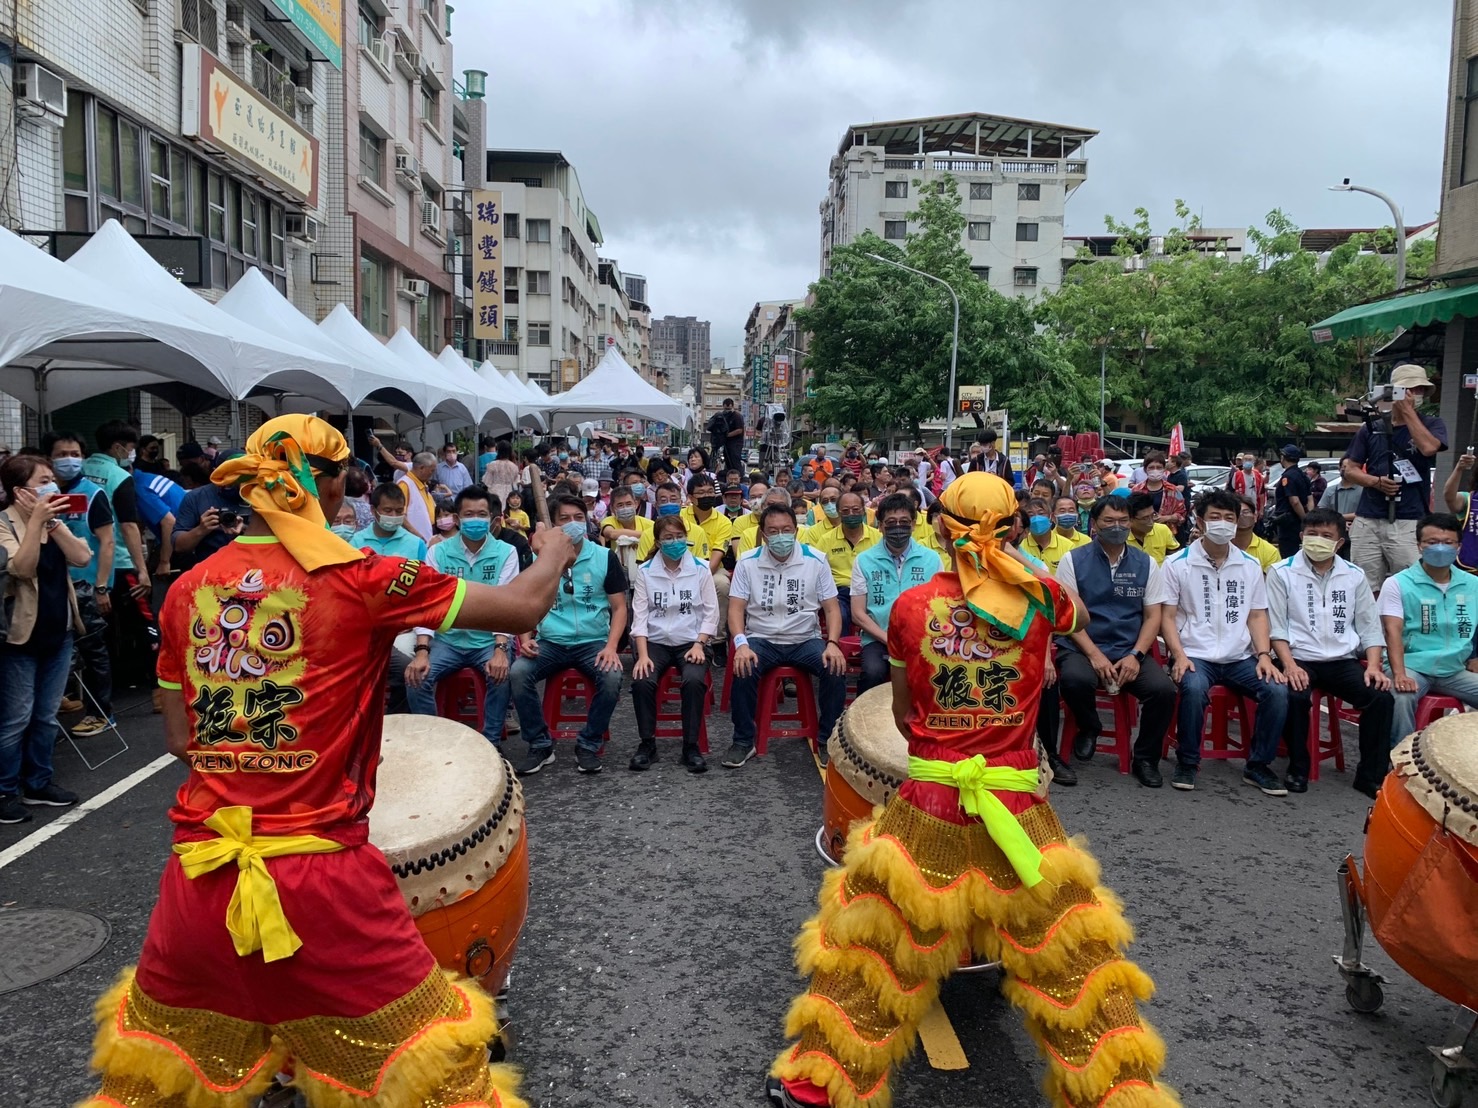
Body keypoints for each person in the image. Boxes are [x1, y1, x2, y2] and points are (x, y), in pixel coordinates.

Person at [79, 414, 569, 1107]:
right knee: (438, 1080)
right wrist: (552, 551)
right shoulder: (363, 577)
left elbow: (181, 739)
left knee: (149, 1089)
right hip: (323, 888)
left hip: (201, 880)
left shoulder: (189, 591)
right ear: (328, 486)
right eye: (346, 481)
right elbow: (521, 608)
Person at [765, 473, 1177, 1108]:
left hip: (929, 803)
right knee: (1072, 961)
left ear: (938, 529)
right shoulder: (1042, 598)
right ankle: (1119, 1097)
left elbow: (904, 719)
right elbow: (1082, 615)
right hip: (1016, 808)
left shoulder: (909, 609)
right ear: (1013, 530)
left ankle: (817, 1088)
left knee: (874, 947)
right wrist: (1011, 561)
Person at [1150, 489, 1289, 795]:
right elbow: (1167, 617)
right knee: (1194, 688)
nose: (1223, 523)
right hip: (1195, 654)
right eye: (1215, 517)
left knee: (1277, 690)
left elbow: (1256, 615)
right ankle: (1187, 761)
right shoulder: (1177, 564)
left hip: (1240, 657)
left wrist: (1264, 655)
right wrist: (1179, 655)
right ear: (1199, 521)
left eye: (1229, 518)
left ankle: (1258, 766)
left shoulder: (1249, 565)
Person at [1053, 495, 1178, 788]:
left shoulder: (1146, 563)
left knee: (1163, 692)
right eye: (1109, 521)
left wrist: (1136, 654)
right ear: (1095, 524)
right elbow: (1068, 617)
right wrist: (1094, 654)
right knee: (1073, 680)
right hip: (1083, 647)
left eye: (1123, 521)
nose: (1117, 527)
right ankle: (1089, 726)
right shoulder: (1073, 560)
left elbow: (1152, 617)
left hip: (1127, 649)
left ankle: (1145, 758)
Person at [1266, 508, 1393, 796]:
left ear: (1340, 542)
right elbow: (1276, 627)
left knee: (1380, 698)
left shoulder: (1354, 575)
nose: (1318, 540)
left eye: (1326, 536)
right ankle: (1298, 767)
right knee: (1294, 695)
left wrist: (1374, 666)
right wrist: (1288, 665)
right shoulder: (1281, 572)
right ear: (1301, 537)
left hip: (1340, 660)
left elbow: (1370, 627)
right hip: (1299, 657)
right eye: (1312, 534)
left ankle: (1369, 776)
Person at [0, 456, 94, 823]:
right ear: (21, 491)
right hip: (20, 637)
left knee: (45, 716)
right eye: (44, 480)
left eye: (53, 479)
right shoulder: (4, 523)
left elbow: (82, 556)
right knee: (16, 718)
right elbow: (20, 569)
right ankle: (6, 790)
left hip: (59, 633)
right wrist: (35, 520)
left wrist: (51, 523)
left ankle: (39, 782)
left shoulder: (54, 522)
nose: (53, 486)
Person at [509, 495, 628, 775]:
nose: (573, 523)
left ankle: (588, 744)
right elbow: (523, 602)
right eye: (564, 519)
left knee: (611, 677)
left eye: (578, 517)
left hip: (593, 643)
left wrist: (611, 647)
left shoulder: (603, 557)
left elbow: (620, 607)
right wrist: (525, 640)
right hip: (551, 642)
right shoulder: (540, 559)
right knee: (518, 673)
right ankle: (539, 744)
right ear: (553, 525)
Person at [724, 502, 847, 768]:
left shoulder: (815, 560)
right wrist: (741, 644)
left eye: (786, 529)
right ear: (763, 534)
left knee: (834, 667)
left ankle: (828, 739)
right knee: (743, 666)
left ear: (796, 530)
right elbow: (735, 609)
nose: (781, 536)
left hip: (805, 639)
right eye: (773, 531)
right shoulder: (748, 562)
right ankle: (744, 740)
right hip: (762, 638)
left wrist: (833, 643)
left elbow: (832, 608)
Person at [404, 488, 519, 749]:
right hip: (448, 640)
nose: (475, 519)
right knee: (417, 676)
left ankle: (491, 745)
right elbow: (428, 603)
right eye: (469, 514)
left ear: (492, 518)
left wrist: (501, 649)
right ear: (457, 518)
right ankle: (431, 744)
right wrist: (422, 650)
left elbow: (506, 603)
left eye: (481, 514)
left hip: (487, 640)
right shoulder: (438, 553)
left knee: (501, 674)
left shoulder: (506, 552)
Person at [1347, 363, 1448, 594]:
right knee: (1365, 584)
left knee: (1411, 583)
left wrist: (1409, 413)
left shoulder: (1432, 424)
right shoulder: (1371, 427)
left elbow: (1428, 448)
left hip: (1409, 517)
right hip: (1369, 516)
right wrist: (1375, 482)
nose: (1416, 395)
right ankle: (1373, 627)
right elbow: (1350, 468)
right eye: (1410, 390)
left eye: (1421, 390)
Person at [1381, 512, 1478, 753]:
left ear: (1459, 547)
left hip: (1453, 669)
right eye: (1432, 542)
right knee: (1402, 697)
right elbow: (1392, 631)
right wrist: (1399, 673)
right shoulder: (1398, 583)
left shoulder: (1472, 584)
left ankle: (1465, 762)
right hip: (1412, 665)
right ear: (1419, 546)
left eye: (1448, 542)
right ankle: (1398, 764)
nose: (1440, 548)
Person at [629, 514, 717, 773]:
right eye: (668, 538)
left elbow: (711, 613)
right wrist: (642, 655)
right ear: (657, 541)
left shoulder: (700, 569)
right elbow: (640, 616)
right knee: (642, 679)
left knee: (692, 680)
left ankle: (690, 746)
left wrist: (700, 644)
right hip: (655, 642)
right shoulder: (645, 572)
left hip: (692, 640)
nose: (675, 542)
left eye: (680, 536)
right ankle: (647, 744)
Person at [44, 431, 116, 736]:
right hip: (52, 587)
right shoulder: (42, 496)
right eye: (61, 454)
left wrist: (101, 587)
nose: (68, 460)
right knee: (57, 653)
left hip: (85, 588)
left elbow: (108, 541)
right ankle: (53, 716)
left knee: (92, 652)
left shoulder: (93, 494)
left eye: (74, 453)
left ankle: (102, 713)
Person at [849, 493, 940, 695]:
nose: (898, 527)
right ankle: (863, 722)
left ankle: (923, 723)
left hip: (920, 638)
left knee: (933, 674)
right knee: (873, 671)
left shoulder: (931, 559)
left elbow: (939, 607)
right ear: (880, 525)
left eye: (904, 522)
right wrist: (887, 638)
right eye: (891, 522)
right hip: (878, 637)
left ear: (914, 524)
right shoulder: (864, 560)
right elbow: (857, 613)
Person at [82, 422, 153, 672]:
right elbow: (129, 525)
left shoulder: (80, 470)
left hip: (82, 563)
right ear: (118, 447)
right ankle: (155, 686)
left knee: (94, 626)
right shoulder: (120, 477)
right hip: (119, 561)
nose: (131, 454)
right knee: (140, 620)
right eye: (131, 449)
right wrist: (141, 568)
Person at [801, 489, 879, 638]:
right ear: (838, 512)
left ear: (864, 511)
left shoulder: (877, 537)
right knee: (840, 615)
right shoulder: (827, 539)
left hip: (871, 589)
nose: (851, 514)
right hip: (839, 591)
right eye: (845, 510)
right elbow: (815, 569)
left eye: (856, 510)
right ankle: (839, 650)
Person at [681, 474, 734, 644]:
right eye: (701, 493)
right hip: (680, 567)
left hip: (712, 568)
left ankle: (717, 639)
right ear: (690, 497)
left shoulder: (724, 522)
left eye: (710, 492)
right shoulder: (680, 517)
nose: (707, 496)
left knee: (722, 585)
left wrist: (698, 579)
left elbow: (717, 557)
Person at [173, 461, 251, 571]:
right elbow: (179, 546)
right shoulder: (197, 497)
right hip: (209, 568)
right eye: (228, 475)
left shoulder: (257, 496)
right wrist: (201, 529)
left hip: (249, 567)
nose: (232, 481)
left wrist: (245, 529)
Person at [351, 483, 429, 559]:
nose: (394, 515)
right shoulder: (356, 542)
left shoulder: (416, 545)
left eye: (399, 511)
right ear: (373, 510)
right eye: (388, 510)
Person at [1271, 444, 1312, 558]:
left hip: (1288, 521)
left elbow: (1294, 501)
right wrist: (1309, 516)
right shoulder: (1302, 475)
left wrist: (1303, 518)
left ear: (1283, 457)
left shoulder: (1288, 476)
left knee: (1288, 554)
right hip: (1298, 520)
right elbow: (1310, 498)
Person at [1130, 451, 1186, 533]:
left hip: (1167, 534)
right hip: (1141, 533)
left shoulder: (1173, 490)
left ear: (1164, 469)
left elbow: (1182, 514)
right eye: (1151, 467)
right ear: (1145, 469)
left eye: (1159, 467)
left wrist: (1167, 518)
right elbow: (1130, 513)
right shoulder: (1137, 489)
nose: (1155, 470)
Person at [1018, 496, 1073, 572]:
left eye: (1041, 513)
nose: (1036, 518)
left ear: (1050, 516)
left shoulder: (1068, 546)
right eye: (1031, 515)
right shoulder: (1020, 546)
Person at [1126, 491, 1181, 565]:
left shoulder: (1163, 530)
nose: (1151, 521)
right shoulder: (1122, 537)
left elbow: (1176, 558)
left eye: (1153, 515)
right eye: (1145, 518)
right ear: (1131, 519)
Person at [1232, 494, 1281, 572]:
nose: (1242, 516)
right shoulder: (1221, 547)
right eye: (1237, 513)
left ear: (1255, 517)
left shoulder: (1269, 552)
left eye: (1245, 512)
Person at [1322, 454, 1364, 527]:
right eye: (1344, 467)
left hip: (1357, 530)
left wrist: (1339, 517)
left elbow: (1365, 514)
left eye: (1350, 468)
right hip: (1334, 530)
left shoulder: (1364, 491)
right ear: (1339, 468)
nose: (1346, 470)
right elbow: (1322, 512)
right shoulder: (1330, 490)